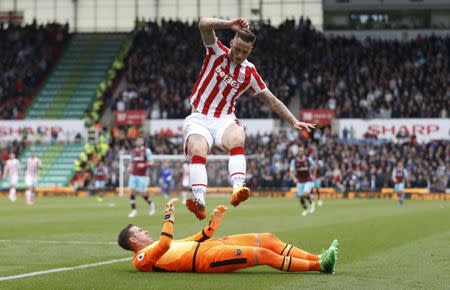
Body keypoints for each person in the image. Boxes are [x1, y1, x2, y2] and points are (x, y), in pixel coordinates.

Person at [183, 17, 315, 219]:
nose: (239, 54)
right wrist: (228, 25)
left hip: (224, 118)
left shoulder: (249, 72)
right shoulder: (215, 51)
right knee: (198, 149)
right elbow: (202, 23)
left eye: (245, 52)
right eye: (237, 49)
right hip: (199, 116)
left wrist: (294, 121)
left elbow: (272, 101)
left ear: (250, 52)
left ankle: (238, 189)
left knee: (238, 135)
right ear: (231, 43)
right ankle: (199, 202)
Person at [117, 198, 338, 274]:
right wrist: (168, 214)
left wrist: (213, 225)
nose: (144, 231)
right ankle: (320, 266)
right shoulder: (141, 259)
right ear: (133, 241)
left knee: (268, 238)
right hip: (207, 259)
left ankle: (318, 258)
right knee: (264, 254)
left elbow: (191, 241)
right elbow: (165, 244)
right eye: (139, 231)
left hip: (210, 245)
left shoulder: (154, 246)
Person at [128, 136, 155, 218]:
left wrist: (144, 164)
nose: (140, 142)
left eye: (141, 140)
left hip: (142, 176)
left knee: (143, 194)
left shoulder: (146, 151)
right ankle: (134, 211)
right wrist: (129, 167)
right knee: (132, 191)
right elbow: (131, 162)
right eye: (138, 140)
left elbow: (152, 162)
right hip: (133, 175)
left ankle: (151, 204)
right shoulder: (133, 152)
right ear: (136, 142)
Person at [290, 147, 315, 216]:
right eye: (300, 151)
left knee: (305, 194)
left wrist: (313, 174)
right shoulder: (294, 161)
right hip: (300, 181)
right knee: (301, 197)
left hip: (308, 180)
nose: (301, 152)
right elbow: (291, 171)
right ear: (298, 152)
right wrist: (294, 178)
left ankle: (312, 203)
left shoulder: (308, 159)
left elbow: (314, 165)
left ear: (304, 152)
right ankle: (305, 209)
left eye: (302, 151)